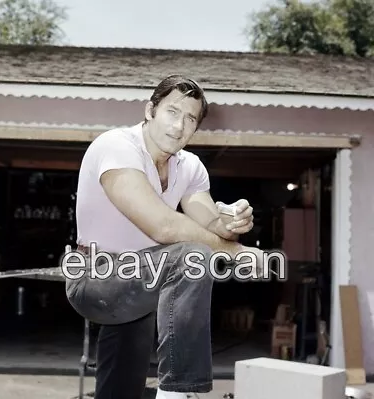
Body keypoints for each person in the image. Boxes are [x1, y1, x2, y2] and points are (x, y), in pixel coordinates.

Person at [65, 75, 264, 399]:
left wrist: (233, 221)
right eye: (173, 111)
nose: (179, 125)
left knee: (120, 389)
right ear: (150, 110)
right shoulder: (118, 146)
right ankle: (177, 391)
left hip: (143, 281)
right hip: (95, 278)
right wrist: (236, 251)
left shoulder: (191, 166)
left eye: (190, 118)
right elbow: (164, 227)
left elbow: (210, 221)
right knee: (191, 256)